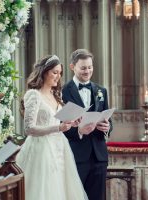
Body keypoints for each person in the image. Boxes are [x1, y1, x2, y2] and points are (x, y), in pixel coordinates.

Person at [15, 55, 88, 200]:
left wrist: (71, 123)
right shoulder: (34, 95)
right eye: (55, 72)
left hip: (60, 147)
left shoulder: (56, 95)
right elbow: (29, 129)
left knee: (62, 189)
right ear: (44, 72)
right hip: (41, 149)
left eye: (60, 73)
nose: (58, 76)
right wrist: (58, 128)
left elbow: (56, 122)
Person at [62, 49, 113, 200]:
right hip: (76, 155)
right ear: (72, 67)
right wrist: (79, 131)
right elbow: (59, 126)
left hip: (99, 156)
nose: (88, 71)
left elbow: (107, 119)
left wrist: (107, 127)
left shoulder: (101, 90)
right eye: (83, 68)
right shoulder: (63, 91)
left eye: (90, 67)